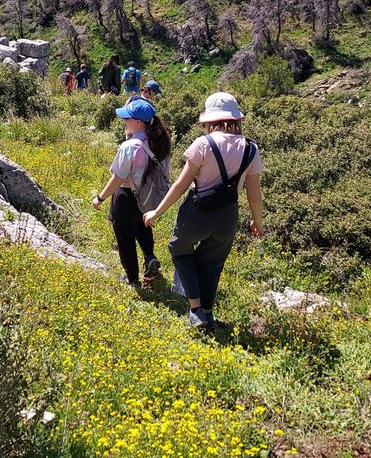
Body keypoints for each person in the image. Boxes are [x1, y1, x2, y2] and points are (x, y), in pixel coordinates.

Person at [143, 92, 264, 330]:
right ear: (236, 119)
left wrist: (157, 212)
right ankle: (207, 313)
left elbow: (181, 185)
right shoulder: (251, 149)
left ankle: (196, 309)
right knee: (213, 262)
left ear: (210, 120)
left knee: (179, 248)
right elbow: (254, 195)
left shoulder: (203, 144)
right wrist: (257, 222)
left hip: (196, 212)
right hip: (227, 216)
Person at [92, 98, 172, 287]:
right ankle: (150, 257)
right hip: (147, 197)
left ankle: (132, 279)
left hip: (126, 197)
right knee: (143, 226)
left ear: (138, 123)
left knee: (125, 239)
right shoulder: (160, 143)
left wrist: (100, 198)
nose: (123, 121)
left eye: (127, 119)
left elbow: (118, 178)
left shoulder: (129, 146)